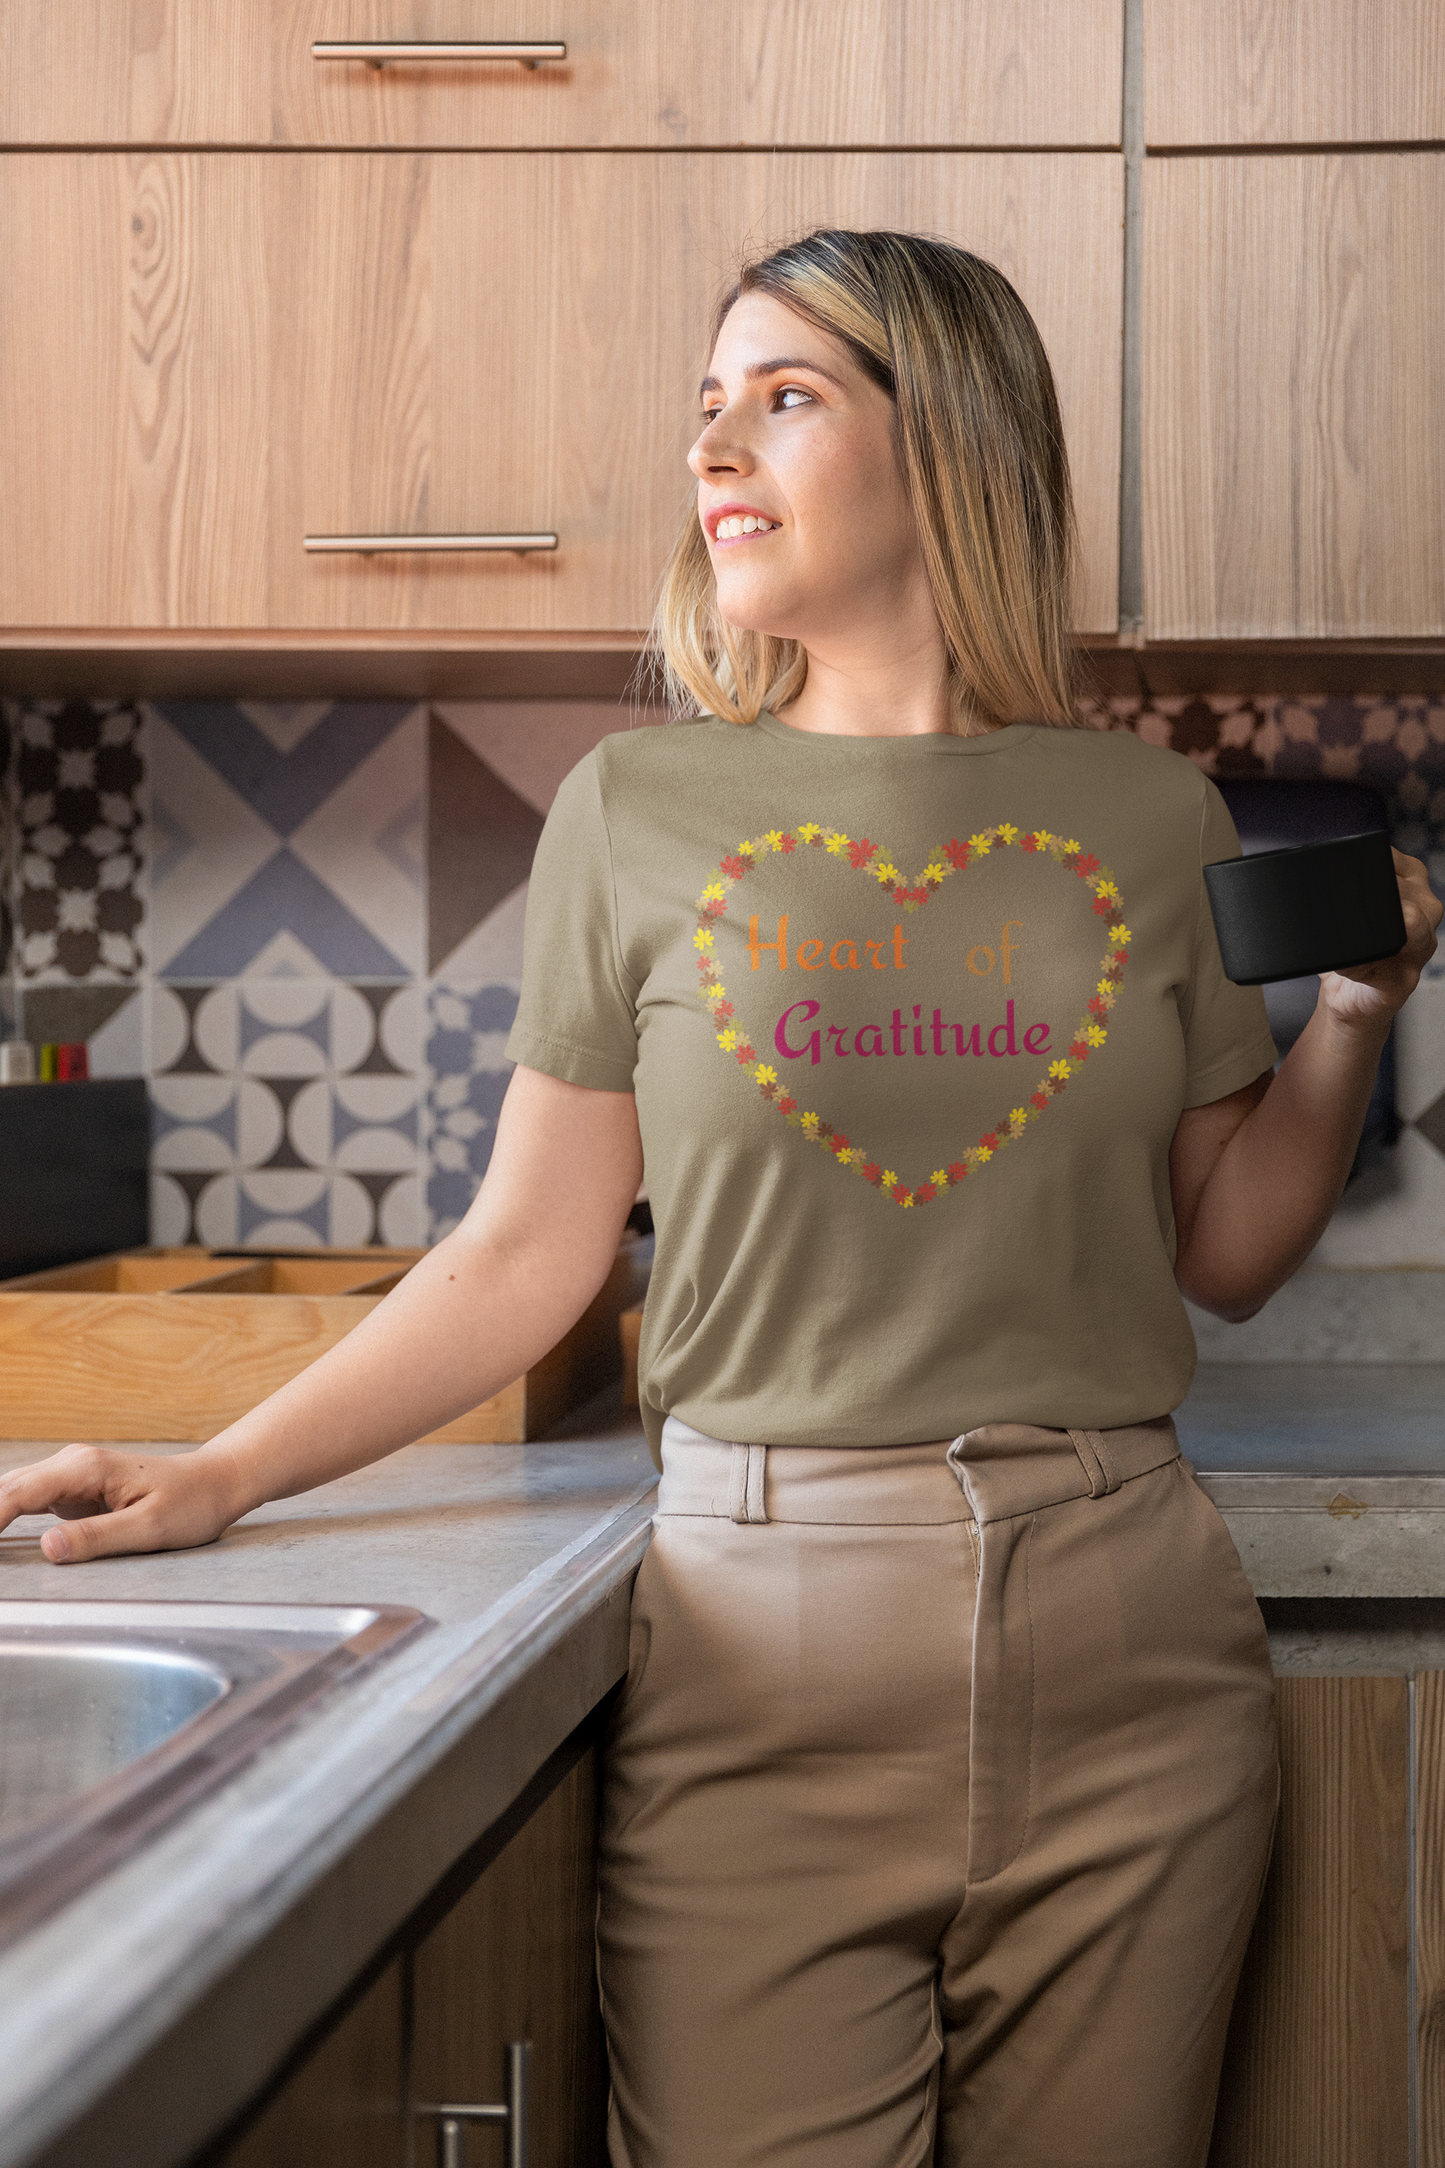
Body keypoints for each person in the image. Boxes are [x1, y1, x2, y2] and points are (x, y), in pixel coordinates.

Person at [0, 229, 1438, 2168]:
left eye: (783, 396)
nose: (713, 451)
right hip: (766, 1652)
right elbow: (523, 1254)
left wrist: (1352, 1008)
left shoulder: (1145, 816)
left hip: (1133, 1645)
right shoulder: (633, 811)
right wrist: (216, 1469)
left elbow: (1231, 1253)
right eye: (704, 407)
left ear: (949, 445)